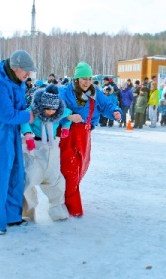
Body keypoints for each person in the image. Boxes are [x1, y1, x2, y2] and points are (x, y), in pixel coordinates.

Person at [0, 50, 36, 235]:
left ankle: (13, 216)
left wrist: (29, 116)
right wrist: (28, 116)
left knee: (16, 172)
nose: (28, 74)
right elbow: (5, 114)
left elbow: (20, 108)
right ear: (15, 68)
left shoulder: (18, 81)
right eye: (26, 70)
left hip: (11, 130)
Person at [59, 62, 121, 217]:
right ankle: (72, 207)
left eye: (89, 78)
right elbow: (54, 109)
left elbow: (106, 105)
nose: (86, 82)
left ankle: (64, 198)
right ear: (76, 79)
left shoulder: (95, 93)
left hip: (85, 135)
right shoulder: (66, 92)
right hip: (67, 134)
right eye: (83, 78)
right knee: (70, 170)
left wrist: (115, 112)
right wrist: (68, 115)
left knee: (81, 168)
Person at [21, 84, 71, 222]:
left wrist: (66, 126)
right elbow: (24, 120)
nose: (50, 112)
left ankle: (58, 211)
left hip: (52, 147)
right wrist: (27, 134)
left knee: (56, 181)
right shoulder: (34, 112)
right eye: (47, 109)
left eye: (53, 110)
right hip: (35, 149)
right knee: (28, 179)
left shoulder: (59, 112)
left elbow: (69, 115)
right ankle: (27, 213)